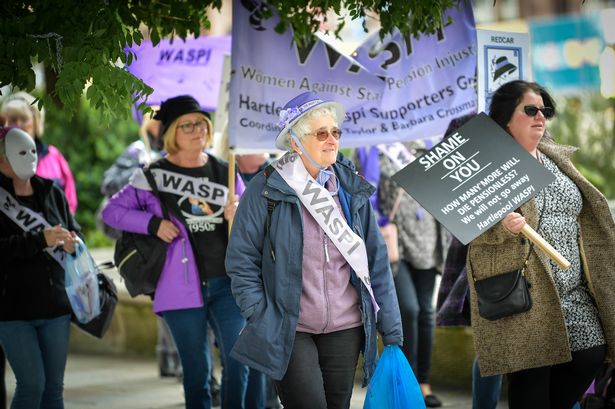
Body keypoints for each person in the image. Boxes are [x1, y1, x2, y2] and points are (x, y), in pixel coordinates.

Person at [225, 91, 403, 409]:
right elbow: (241, 259)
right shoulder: (266, 188)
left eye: (335, 132)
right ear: (296, 142)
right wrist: (259, 313)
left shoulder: (350, 188)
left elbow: (376, 261)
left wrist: (391, 329)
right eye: (321, 133)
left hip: (345, 327)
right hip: (289, 326)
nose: (331, 140)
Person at [102, 95, 258, 409]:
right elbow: (111, 212)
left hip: (227, 284)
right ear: (172, 132)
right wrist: (152, 224)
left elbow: (254, 222)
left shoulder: (225, 170)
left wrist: (238, 214)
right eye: (187, 125)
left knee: (240, 359)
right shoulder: (149, 175)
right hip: (178, 286)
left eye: (201, 123)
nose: (197, 130)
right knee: (197, 371)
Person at [468, 80, 615, 409]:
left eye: (545, 110)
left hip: (575, 291)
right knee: (530, 389)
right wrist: (502, 226)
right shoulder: (489, 165)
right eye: (530, 110)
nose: (540, 117)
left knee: (592, 352)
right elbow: (470, 229)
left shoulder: (556, 157)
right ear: (507, 117)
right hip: (528, 296)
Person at [0, 127, 80, 409]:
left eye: (33, 150)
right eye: (21, 152)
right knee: (32, 386)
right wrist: (38, 239)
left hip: (56, 308)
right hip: (13, 312)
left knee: (53, 390)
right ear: (2, 160)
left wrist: (73, 243)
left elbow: (73, 229)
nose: (30, 157)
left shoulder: (52, 192)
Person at [376, 140, 448, 408]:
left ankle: (423, 382)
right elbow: (368, 190)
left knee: (427, 313)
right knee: (408, 308)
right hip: (394, 242)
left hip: (427, 240)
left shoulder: (432, 147)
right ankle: (405, 381)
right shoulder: (376, 148)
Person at [1, 92, 78, 214]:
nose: (18, 125)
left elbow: (70, 199)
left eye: (24, 119)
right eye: (13, 120)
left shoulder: (53, 156)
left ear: (35, 122)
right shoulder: (2, 160)